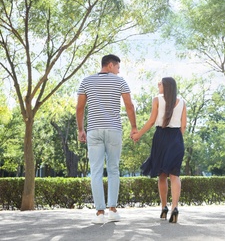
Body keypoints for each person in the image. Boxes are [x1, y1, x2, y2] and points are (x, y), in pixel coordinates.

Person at [76, 54, 137, 224]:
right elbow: (129, 105)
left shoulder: (86, 81)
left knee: (95, 171)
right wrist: (133, 127)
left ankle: (99, 213)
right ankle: (112, 210)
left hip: (94, 130)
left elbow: (80, 107)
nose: (119, 71)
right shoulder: (120, 82)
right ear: (110, 65)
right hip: (113, 130)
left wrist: (81, 129)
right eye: (118, 67)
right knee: (113, 169)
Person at [131, 77, 187, 223]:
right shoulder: (182, 102)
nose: (158, 85)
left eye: (160, 83)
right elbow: (183, 127)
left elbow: (151, 121)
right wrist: (175, 140)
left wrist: (138, 135)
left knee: (162, 175)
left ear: (167, 86)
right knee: (175, 175)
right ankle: (175, 207)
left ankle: (164, 207)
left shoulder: (157, 99)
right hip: (176, 139)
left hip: (161, 138)